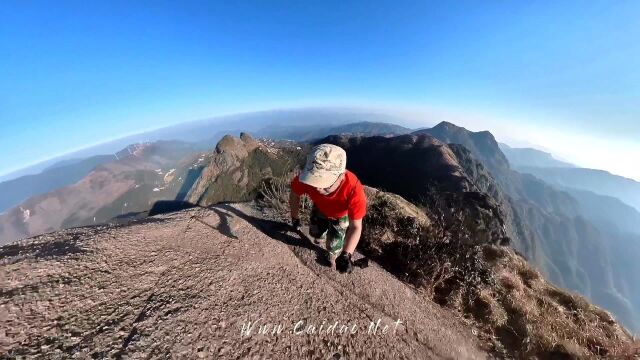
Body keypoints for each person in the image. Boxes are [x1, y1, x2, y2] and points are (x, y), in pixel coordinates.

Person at [289, 144, 367, 274]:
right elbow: (295, 194)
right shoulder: (306, 179)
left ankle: (332, 254)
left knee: (333, 247)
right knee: (315, 234)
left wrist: (346, 255)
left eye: (325, 183)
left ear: (341, 176)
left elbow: (356, 226)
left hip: (340, 216)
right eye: (314, 181)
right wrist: (295, 217)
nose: (318, 188)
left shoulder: (354, 189)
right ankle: (321, 239)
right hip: (320, 208)